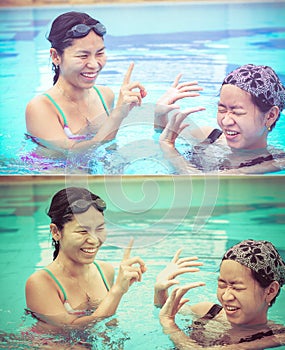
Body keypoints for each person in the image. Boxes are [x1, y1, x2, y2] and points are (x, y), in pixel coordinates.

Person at [25, 187, 146, 334]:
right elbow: (68, 328)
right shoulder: (41, 282)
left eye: (100, 229)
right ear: (56, 232)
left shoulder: (105, 270)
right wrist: (117, 291)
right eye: (83, 231)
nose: (94, 240)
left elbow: (110, 326)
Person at [25, 11, 147, 152]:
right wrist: (117, 115)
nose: (94, 64)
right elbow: (70, 155)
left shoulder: (105, 95)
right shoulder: (41, 107)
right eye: (83, 55)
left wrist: (160, 118)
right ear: (55, 56)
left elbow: (109, 150)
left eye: (100, 53)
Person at [156, 240, 285, 349]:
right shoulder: (208, 312)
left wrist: (170, 326)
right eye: (222, 285)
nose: (226, 297)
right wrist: (159, 289)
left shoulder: (275, 336)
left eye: (237, 288)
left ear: (270, 291)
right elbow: (167, 310)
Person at [158, 64, 285, 174]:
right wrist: (159, 114)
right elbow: (164, 134)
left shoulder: (276, 161)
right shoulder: (208, 136)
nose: (225, 121)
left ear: (270, 116)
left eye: (237, 112)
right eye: (222, 110)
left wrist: (169, 148)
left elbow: (204, 181)